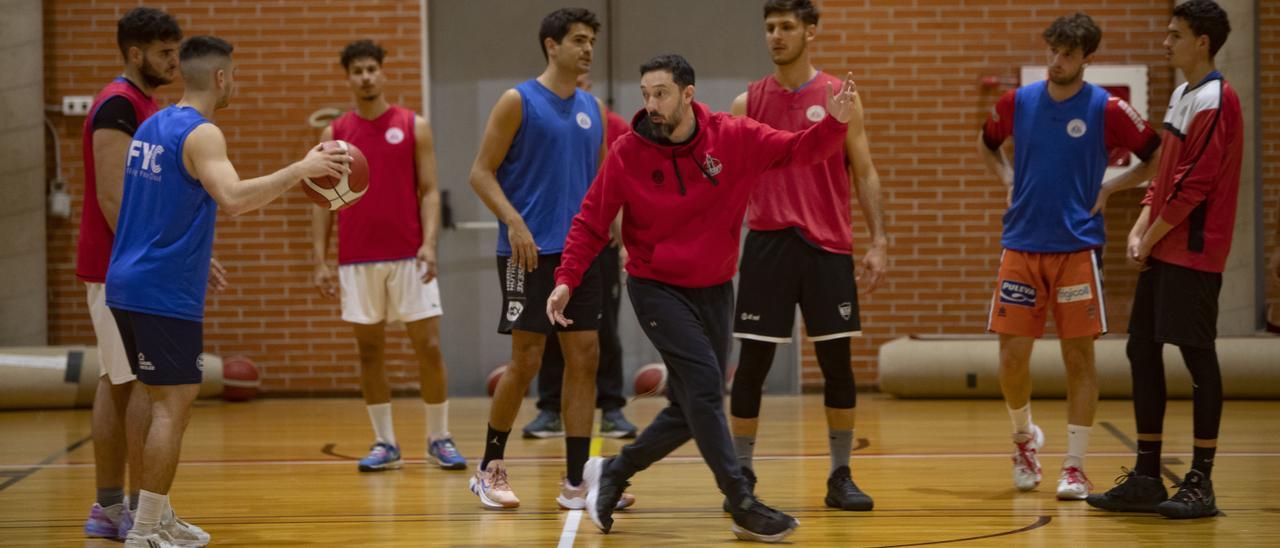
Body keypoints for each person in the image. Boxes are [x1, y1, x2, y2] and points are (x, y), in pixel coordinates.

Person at [549, 53, 859, 543]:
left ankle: (614, 471)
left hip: (715, 289)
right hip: (655, 287)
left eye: (662, 94)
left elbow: (802, 150)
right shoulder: (629, 152)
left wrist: (836, 124)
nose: (651, 104)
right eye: (646, 94)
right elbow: (591, 220)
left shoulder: (734, 136)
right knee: (706, 390)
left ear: (688, 95)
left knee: (692, 406)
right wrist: (567, 278)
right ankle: (742, 501)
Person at [108, 36, 347, 547]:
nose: (234, 82)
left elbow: (151, 209)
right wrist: (300, 169)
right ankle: (145, 531)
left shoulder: (152, 124)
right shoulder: (202, 132)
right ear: (220, 78)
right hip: (161, 292)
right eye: (233, 74)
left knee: (150, 401)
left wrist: (198, 255)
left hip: (127, 282)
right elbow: (234, 198)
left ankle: (156, 514)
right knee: (173, 406)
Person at [978, 12, 1162, 500]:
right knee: (1012, 358)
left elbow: (1156, 155)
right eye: (1052, 52)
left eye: (1067, 55)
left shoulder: (1109, 108)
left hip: (1078, 249)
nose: (1056, 62)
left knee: (1079, 359)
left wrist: (1112, 188)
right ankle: (1024, 441)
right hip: (1020, 245)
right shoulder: (1017, 102)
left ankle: (1076, 467)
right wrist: (1006, 179)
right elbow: (988, 143)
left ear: (1086, 58)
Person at [726, 0, 887, 512]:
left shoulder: (840, 96)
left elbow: (863, 171)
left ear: (810, 32)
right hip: (768, 244)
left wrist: (879, 240)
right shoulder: (745, 102)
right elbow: (730, 185)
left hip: (827, 247)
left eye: (787, 27)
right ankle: (742, 476)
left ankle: (840, 475)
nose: (776, 36)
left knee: (838, 367)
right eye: (770, 27)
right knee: (751, 367)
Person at [1087, 0, 1241, 520]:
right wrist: (1139, 225)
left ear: (1202, 42)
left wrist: (1151, 235)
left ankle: (1200, 481)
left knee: (1197, 356)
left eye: (1174, 35)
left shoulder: (1218, 99)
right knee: (1141, 350)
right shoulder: (1181, 94)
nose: (1164, 42)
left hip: (1194, 250)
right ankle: (1148, 475)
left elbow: (1196, 185)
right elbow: (1166, 175)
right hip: (1163, 240)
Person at [466, 7, 623, 511]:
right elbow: (480, 173)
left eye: (591, 40)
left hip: (581, 255)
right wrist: (514, 221)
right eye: (579, 40)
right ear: (551, 45)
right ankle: (489, 468)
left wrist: (617, 233)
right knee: (526, 361)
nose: (588, 49)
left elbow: (600, 185)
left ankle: (576, 481)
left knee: (586, 358)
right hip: (528, 253)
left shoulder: (593, 109)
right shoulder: (517, 101)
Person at [312, 40, 466, 472]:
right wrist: (320, 260)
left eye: (371, 69)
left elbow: (431, 190)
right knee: (369, 352)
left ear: (382, 73)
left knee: (429, 347)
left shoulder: (413, 125)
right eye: (357, 70)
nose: (365, 76)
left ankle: (440, 437)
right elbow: (322, 202)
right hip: (356, 260)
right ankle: (385, 442)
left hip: (408, 257)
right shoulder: (334, 135)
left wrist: (430, 243)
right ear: (348, 77)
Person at [77, 7, 191, 542]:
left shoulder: (146, 103)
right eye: (165, 52)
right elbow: (112, 196)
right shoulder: (118, 104)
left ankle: (112, 508)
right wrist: (153, 260)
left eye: (177, 50)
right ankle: (131, 513)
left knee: (120, 382)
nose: (174, 60)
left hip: (130, 266)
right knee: (137, 386)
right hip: (119, 269)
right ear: (135, 53)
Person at [523, 73, 637, 441]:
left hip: (598, 243)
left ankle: (613, 408)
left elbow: (623, 186)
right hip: (553, 244)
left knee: (604, 331)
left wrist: (624, 240)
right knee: (554, 329)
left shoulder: (612, 124)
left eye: (585, 79)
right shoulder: (540, 118)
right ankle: (551, 409)